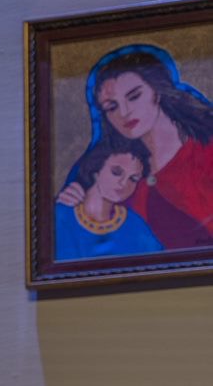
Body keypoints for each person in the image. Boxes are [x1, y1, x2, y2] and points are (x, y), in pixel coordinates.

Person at [57, 44, 213, 249]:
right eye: (112, 107)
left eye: (134, 96)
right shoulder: (102, 166)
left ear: (157, 92)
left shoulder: (206, 148)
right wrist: (72, 207)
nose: (124, 112)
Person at [55, 139, 162, 260]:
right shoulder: (60, 215)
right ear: (96, 169)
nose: (123, 183)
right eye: (116, 172)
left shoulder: (135, 224)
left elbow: (159, 263)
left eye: (133, 179)